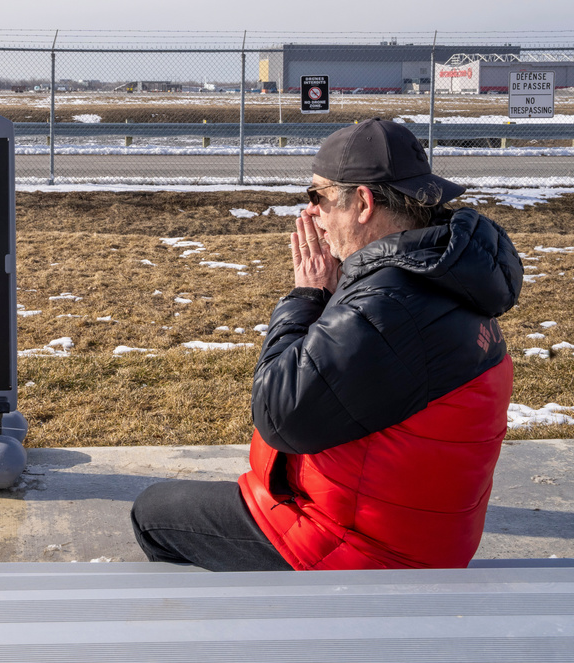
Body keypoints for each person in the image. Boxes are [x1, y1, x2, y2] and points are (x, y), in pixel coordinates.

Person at [131, 118, 524, 571]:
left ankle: (282, 632)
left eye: (317, 196)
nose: (311, 211)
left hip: (362, 549)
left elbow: (281, 414)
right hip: (412, 535)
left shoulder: (389, 305)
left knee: (152, 514)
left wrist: (307, 295)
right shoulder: (439, 275)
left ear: (363, 202)